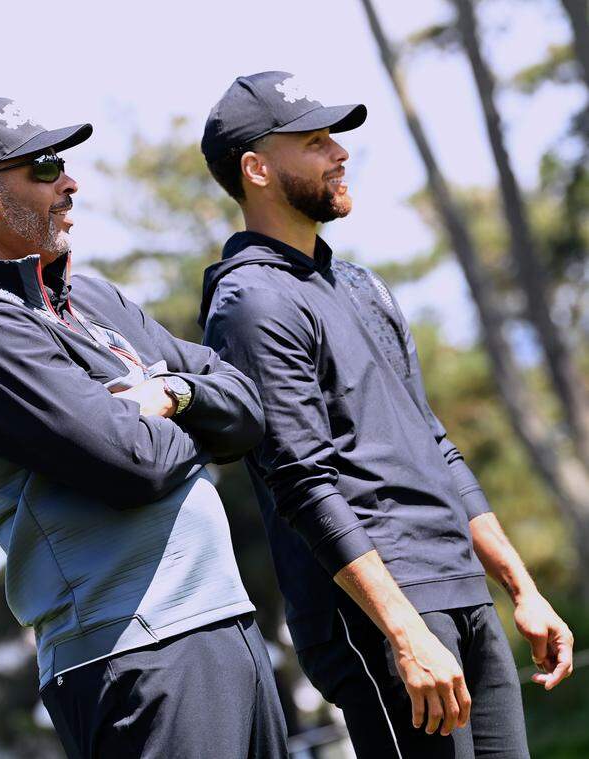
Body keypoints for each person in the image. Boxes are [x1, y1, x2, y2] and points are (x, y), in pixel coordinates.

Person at [198, 71, 574, 758]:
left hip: (458, 589)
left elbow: (437, 445)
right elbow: (303, 485)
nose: (339, 153)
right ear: (256, 169)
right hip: (378, 614)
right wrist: (403, 630)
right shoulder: (251, 304)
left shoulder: (357, 284)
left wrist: (520, 587)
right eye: (314, 142)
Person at [0, 98, 288, 758]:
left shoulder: (92, 297)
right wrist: (180, 418)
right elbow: (133, 462)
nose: (71, 181)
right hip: (137, 651)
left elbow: (247, 405)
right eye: (45, 166)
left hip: (223, 623)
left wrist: (171, 393)